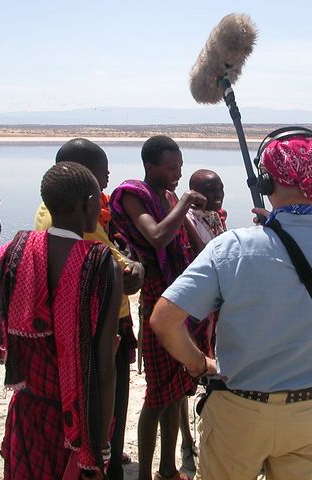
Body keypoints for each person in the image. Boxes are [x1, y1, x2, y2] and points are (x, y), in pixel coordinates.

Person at [150, 133, 312, 480]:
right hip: (311, 412)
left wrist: (200, 364)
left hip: (238, 411)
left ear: (265, 181)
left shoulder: (232, 247)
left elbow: (164, 319)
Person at [0, 162, 123, 479]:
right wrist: (100, 448)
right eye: (98, 202)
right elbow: (104, 365)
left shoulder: (10, 253)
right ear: (88, 204)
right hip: (78, 418)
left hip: (28, 414)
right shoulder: (101, 263)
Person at [34, 138, 144, 480]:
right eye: (101, 178)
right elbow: (114, 265)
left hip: (90, 321)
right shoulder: (76, 219)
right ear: (86, 194)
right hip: (100, 322)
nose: (107, 183)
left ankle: (103, 451)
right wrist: (133, 267)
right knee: (107, 395)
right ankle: (103, 458)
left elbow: (114, 246)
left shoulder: (59, 210)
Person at [108, 135, 206, 480]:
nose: (178, 174)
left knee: (176, 390)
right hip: (156, 304)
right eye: (171, 167)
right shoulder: (133, 195)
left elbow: (184, 243)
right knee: (155, 396)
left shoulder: (166, 196)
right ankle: (147, 474)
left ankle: (168, 468)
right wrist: (185, 203)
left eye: (180, 167)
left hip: (179, 301)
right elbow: (158, 236)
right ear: (150, 166)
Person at [178, 168, 227, 474]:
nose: (218, 196)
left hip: (217, 309)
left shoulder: (217, 217)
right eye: (210, 191)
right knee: (188, 374)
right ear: (194, 193)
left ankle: (208, 430)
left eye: (220, 188)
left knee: (212, 369)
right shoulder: (186, 220)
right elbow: (205, 254)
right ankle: (186, 439)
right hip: (194, 311)